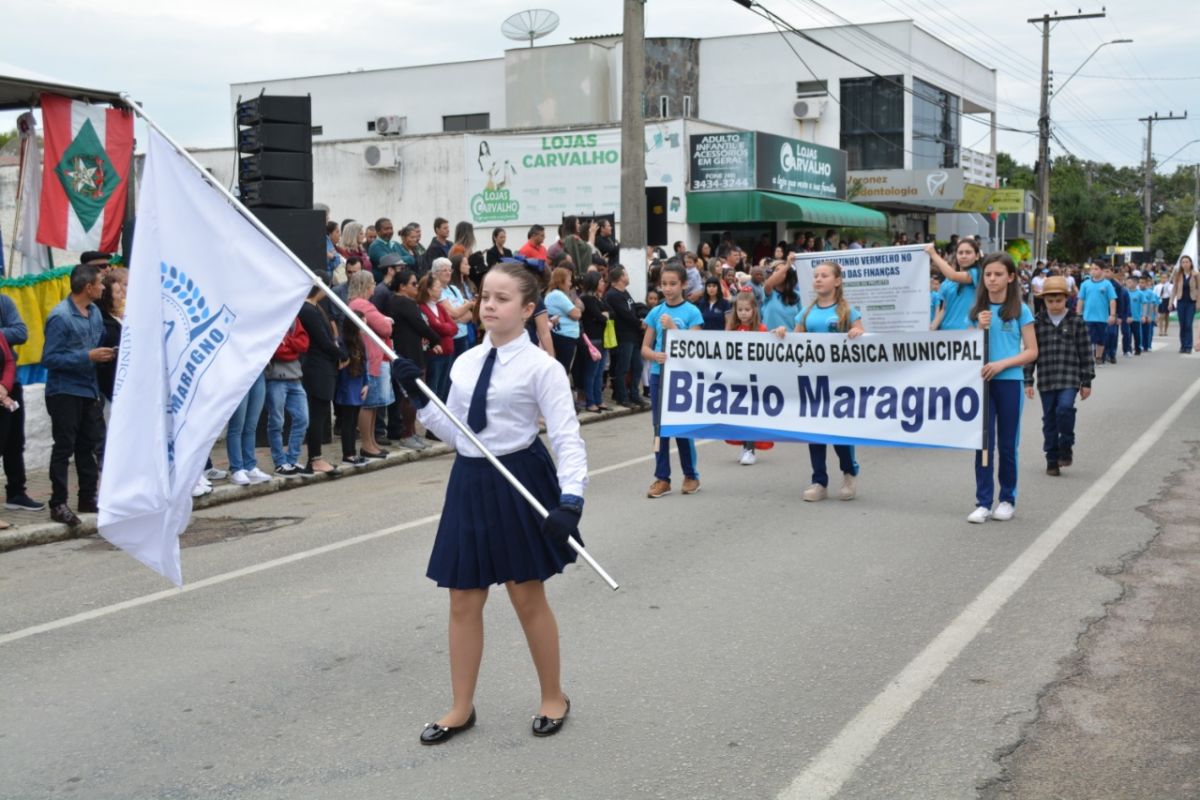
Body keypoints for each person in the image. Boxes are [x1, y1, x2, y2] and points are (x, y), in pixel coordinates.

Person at [393, 262, 586, 745]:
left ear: (527, 309)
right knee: (463, 598)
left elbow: (566, 438)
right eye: (484, 297)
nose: (489, 306)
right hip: (470, 481)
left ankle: (553, 696)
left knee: (526, 594)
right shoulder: (465, 362)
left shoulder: (543, 367)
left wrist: (571, 500)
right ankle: (460, 707)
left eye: (502, 299)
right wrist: (417, 397)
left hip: (518, 477)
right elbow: (455, 431)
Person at [777, 262, 864, 500]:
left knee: (839, 433)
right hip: (812, 382)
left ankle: (849, 472)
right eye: (815, 275)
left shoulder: (848, 312)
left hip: (839, 383)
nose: (818, 279)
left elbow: (864, 339)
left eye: (824, 275)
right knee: (814, 432)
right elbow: (795, 340)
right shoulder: (806, 313)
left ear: (837, 281)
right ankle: (819, 481)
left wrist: (858, 334)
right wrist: (784, 334)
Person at [967, 253, 1038, 524]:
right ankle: (983, 501)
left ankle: (1007, 498)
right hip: (982, 384)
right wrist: (978, 328)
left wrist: (1001, 364)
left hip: (1009, 382)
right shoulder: (976, 312)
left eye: (998, 274)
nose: (992, 279)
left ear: (1010, 277)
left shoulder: (1020, 310)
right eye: (987, 274)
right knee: (983, 444)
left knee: (1008, 444)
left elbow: (1032, 351)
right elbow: (967, 350)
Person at [42, 264, 111, 526]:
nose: (103, 287)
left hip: (88, 389)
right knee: (64, 447)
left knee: (88, 446)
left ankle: (87, 497)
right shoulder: (61, 317)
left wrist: (104, 354)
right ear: (87, 287)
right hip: (64, 391)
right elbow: (50, 358)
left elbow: (96, 342)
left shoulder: (93, 312)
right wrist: (87, 356)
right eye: (100, 283)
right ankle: (58, 503)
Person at [642, 263, 703, 498]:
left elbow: (696, 346)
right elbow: (645, 348)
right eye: (664, 284)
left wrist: (674, 328)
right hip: (659, 375)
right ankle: (661, 477)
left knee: (682, 426)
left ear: (684, 285)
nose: (667, 289)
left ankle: (691, 475)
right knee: (660, 428)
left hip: (683, 377)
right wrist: (654, 355)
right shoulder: (655, 312)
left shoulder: (691, 312)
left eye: (673, 284)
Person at [1023, 275, 1093, 477]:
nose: (1054, 304)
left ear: (1066, 299)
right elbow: (1030, 352)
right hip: (1046, 378)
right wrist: (1028, 380)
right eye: (1050, 301)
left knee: (1064, 409)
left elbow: (1085, 352)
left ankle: (1066, 443)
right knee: (1049, 419)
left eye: (1059, 300)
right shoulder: (1036, 323)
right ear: (1043, 300)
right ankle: (1052, 459)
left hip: (1069, 377)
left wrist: (1086, 381)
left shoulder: (1076, 321)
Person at [385, 269, 440, 450]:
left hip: (408, 351)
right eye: (413, 284)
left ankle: (411, 433)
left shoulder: (396, 301)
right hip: (409, 355)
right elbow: (420, 325)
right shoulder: (403, 302)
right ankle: (407, 434)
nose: (417, 287)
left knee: (411, 396)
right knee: (411, 396)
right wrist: (436, 340)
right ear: (402, 286)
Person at [0, 294, 42, 513]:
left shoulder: (3, 302)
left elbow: (20, 332)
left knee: (15, 441)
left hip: (10, 384)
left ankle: (16, 492)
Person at [347, 271, 394, 459]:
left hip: (372, 358)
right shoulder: (362, 304)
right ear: (366, 285)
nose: (374, 287)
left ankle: (371, 442)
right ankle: (367, 444)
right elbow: (385, 328)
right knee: (369, 404)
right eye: (372, 283)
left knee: (373, 404)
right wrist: (386, 321)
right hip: (371, 360)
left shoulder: (356, 303)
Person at [298, 285, 343, 476]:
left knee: (322, 411)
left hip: (325, 366)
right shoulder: (308, 309)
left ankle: (317, 457)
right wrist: (342, 355)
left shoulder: (316, 307)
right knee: (317, 412)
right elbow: (323, 341)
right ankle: (314, 458)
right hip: (317, 368)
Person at [727, 291, 770, 466]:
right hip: (737, 377)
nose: (743, 313)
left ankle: (751, 449)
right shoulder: (733, 330)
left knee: (751, 414)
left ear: (754, 310)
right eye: (740, 310)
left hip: (755, 378)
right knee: (740, 414)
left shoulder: (761, 330)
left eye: (747, 309)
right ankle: (745, 446)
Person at [265, 314, 311, 478]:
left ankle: (291, 460)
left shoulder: (293, 318)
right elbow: (277, 351)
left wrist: (288, 341)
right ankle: (279, 463)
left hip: (295, 378)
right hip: (276, 379)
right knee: (277, 422)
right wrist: (294, 346)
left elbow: (304, 344)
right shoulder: (269, 320)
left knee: (303, 419)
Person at [604, 265, 646, 409]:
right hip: (623, 336)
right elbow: (625, 314)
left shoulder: (625, 292)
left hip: (633, 335)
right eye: (626, 274)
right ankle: (622, 397)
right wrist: (639, 323)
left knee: (637, 366)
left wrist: (641, 318)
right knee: (623, 367)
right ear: (621, 277)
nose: (628, 276)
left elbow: (632, 309)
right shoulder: (612, 295)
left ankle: (634, 394)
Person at [334, 315, 369, 466]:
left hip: (358, 383)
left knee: (354, 420)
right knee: (348, 422)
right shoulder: (342, 343)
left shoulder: (360, 342)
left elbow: (364, 363)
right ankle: (348, 454)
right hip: (347, 385)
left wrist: (366, 384)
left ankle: (353, 453)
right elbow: (340, 367)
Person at [418, 273, 459, 402]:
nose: (441, 289)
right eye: (437, 287)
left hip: (448, 351)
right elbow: (435, 327)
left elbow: (454, 328)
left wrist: (443, 326)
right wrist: (444, 327)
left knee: (443, 387)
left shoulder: (439, 307)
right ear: (429, 290)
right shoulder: (422, 308)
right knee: (433, 388)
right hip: (435, 354)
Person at [928, 239, 982, 330]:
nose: (963, 256)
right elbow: (943, 309)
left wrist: (933, 254)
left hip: (967, 334)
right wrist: (932, 326)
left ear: (977, 256)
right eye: (960, 253)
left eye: (968, 252)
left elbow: (953, 276)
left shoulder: (977, 273)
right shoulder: (947, 282)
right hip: (946, 335)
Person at [578, 271, 610, 413]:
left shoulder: (598, 299)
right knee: (592, 372)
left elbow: (610, 313)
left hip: (601, 339)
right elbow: (602, 317)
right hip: (592, 340)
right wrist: (603, 316)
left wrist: (604, 315)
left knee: (599, 372)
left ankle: (598, 399)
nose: (603, 283)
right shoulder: (587, 299)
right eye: (601, 281)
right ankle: (590, 401)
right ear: (594, 283)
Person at [544, 267, 583, 381]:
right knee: (562, 369)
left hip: (564, 336)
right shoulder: (558, 295)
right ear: (561, 281)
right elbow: (577, 314)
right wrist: (576, 309)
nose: (570, 284)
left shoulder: (555, 294)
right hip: (564, 337)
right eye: (569, 280)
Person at [1078, 263, 1117, 365]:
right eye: (1092, 269)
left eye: (1096, 269)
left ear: (1102, 270)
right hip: (1088, 317)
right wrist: (1078, 314)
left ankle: (1098, 357)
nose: (1093, 271)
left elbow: (1112, 300)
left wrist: (1112, 315)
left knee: (1101, 339)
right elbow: (1080, 300)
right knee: (1088, 339)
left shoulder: (1107, 284)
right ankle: (1089, 357)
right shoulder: (1085, 284)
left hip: (1102, 317)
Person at [441, 254, 478, 356]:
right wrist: (469, 305)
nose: (469, 266)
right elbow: (454, 313)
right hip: (456, 334)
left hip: (468, 328)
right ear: (458, 266)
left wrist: (456, 319)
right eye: (466, 264)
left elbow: (470, 314)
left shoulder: (468, 283)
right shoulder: (453, 287)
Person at [760, 254, 802, 331]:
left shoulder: (798, 296)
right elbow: (768, 284)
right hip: (768, 340)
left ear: (788, 275)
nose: (776, 273)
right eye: (776, 270)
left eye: (781, 271)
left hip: (790, 340)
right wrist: (787, 266)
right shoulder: (768, 291)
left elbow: (802, 321)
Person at [1170, 255, 1198, 353]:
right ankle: (1183, 345)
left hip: (1191, 302)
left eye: (1187, 262)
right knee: (1182, 325)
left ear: (1191, 263)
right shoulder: (1178, 275)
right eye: (1183, 262)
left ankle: (1188, 346)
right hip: (1181, 302)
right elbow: (1174, 289)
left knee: (1188, 324)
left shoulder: (1196, 274)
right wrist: (1171, 302)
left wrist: (1198, 303)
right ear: (1181, 264)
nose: (1185, 264)